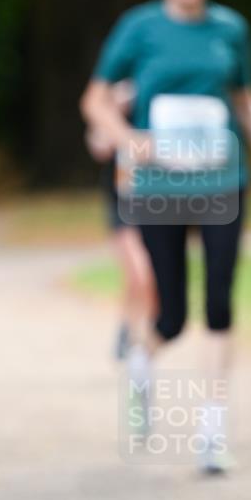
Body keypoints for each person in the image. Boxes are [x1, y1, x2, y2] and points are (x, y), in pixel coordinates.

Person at [81, 0, 251, 474]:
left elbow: (245, 97)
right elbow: (95, 100)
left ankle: (213, 431)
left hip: (223, 178)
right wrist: (129, 139)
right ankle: (142, 366)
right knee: (170, 314)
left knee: (219, 300)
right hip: (159, 185)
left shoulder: (230, 30)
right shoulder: (138, 28)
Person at [84, 80, 157, 360]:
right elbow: (98, 146)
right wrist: (114, 110)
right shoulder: (116, 98)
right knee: (139, 272)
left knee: (150, 278)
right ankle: (133, 338)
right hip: (123, 204)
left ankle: (134, 330)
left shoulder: (161, 95)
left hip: (158, 202)